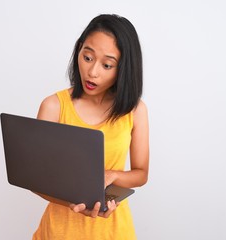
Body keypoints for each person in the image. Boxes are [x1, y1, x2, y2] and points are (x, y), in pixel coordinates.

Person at [32, 14, 149, 240]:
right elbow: (37, 181)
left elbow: (141, 174)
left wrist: (111, 175)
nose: (93, 72)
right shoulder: (53, 106)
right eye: (87, 57)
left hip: (114, 232)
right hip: (59, 232)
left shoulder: (135, 111)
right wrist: (72, 202)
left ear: (123, 69)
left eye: (107, 65)